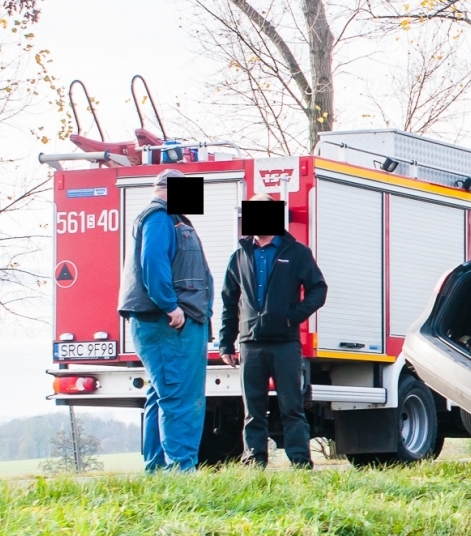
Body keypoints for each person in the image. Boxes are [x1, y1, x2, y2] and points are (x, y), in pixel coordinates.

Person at [118, 169, 214, 471]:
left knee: (162, 397)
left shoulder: (170, 218)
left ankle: (158, 470)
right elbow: (154, 263)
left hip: (174, 324)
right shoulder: (159, 218)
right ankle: (181, 473)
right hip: (168, 325)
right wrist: (171, 306)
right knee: (180, 398)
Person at [219, 219, 328, 468]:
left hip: (285, 344)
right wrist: (226, 342)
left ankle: (300, 463)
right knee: (252, 410)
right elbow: (229, 302)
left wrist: (293, 316)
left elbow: (318, 289)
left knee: (292, 406)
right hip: (251, 344)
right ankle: (254, 462)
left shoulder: (297, 252)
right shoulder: (239, 256)